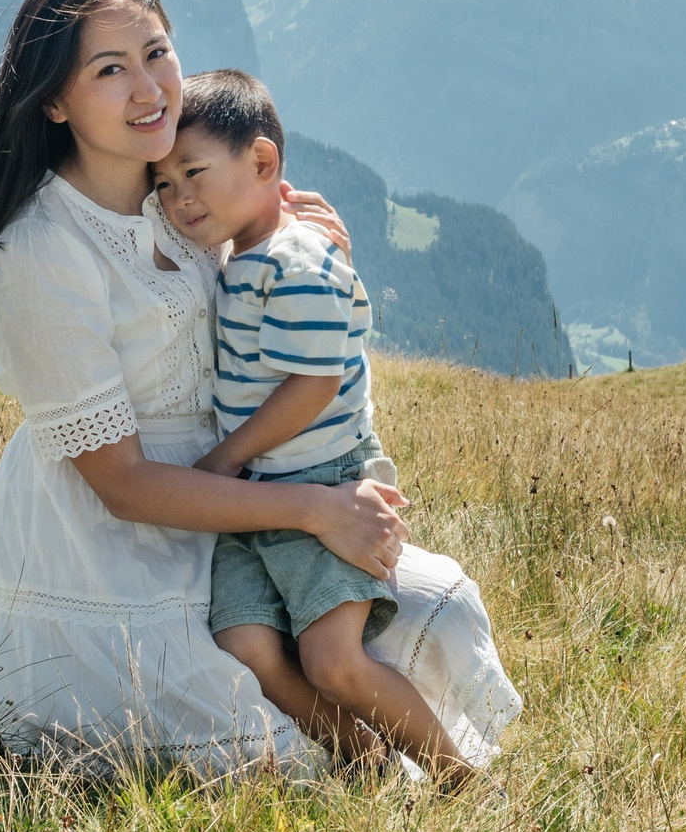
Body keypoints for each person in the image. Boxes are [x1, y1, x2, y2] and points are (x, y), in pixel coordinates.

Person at [0, 0, 518, 776]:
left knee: (441, 613)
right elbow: (122, 484)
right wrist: (317, 510)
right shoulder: (43, 248)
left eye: (157, 52)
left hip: (247, 495)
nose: (150, 88)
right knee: (259, 739)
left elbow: (274, 278)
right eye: (110, 69)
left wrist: (305, 241)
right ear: (54, 101)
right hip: (120, 540)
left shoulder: (181, 192)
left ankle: (409, 765)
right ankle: (377, 769)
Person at [152, 68, 469, 781]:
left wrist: (224, 460)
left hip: (320, 478)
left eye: (194, 173)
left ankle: (459, 779)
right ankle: (368, 763)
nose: (180, 198)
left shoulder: (296, 258)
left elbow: (315, 384)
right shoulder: (243, 255)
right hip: (263, 487)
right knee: (245, 644)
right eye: (164, 184)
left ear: (263, 161)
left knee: (333, 661)